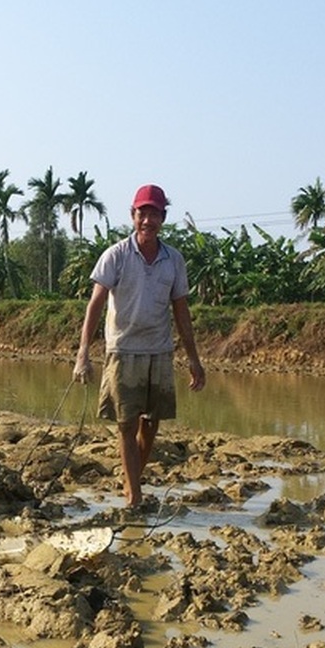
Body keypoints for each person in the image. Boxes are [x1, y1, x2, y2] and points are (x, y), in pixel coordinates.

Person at [73, 184, 206, 508]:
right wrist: (83, 355)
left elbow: (181, 311)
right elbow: (95, 305)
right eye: (141, 213)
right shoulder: (115, 256)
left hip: (159, 351)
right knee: (126, 424)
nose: (147, 220)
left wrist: (194, 359)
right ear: (133, 216)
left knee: (150, 424)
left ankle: (131, 480)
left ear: (163, 217)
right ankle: (134, 496)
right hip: (122, 350)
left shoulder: (173, 259)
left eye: (154, 213)